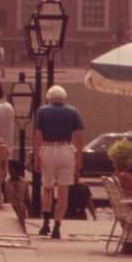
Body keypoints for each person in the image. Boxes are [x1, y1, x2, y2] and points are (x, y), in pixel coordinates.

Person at [33, 84, 84, 240]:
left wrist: (37, 156)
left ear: (49, 98)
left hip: (48, 149)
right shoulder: (73, 112)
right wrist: (78, 160)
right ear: (64, 98)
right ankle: (57, 226)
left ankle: (45, 222)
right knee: (63, 191)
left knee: (47, 188)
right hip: (66, 149)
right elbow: (79, 138)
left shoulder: (42, 111)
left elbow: (37, 136)